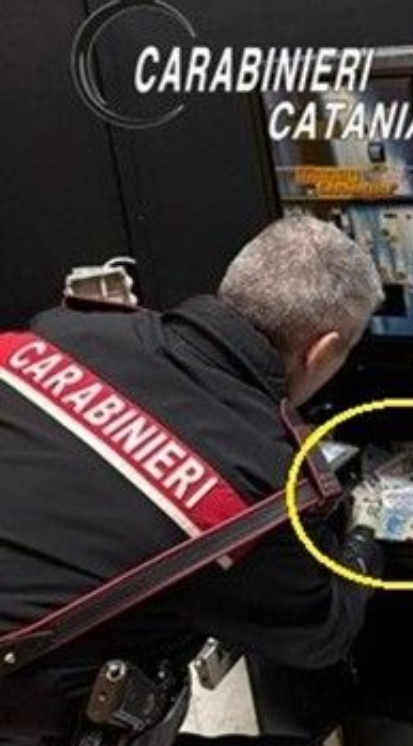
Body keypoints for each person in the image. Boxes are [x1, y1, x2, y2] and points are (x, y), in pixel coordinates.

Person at [0, 216, 386, 745]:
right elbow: (320, 634)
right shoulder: (262, 492)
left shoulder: (59, 331)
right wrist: (365, 538)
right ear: (320, 350)